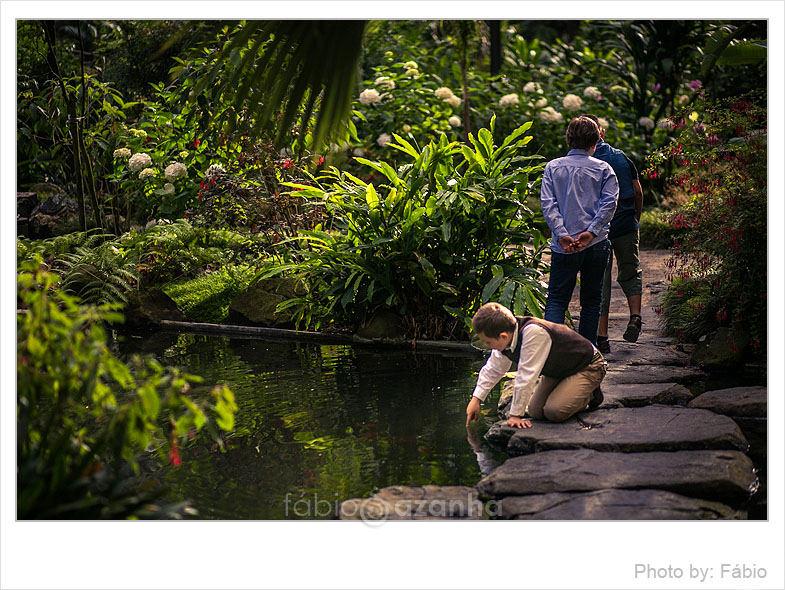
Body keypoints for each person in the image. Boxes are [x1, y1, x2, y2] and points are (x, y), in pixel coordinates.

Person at [540, 116, 619, 346]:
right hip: (595, 245)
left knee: (556, 300)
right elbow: (609, 204)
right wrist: (591, 233)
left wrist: (563, 234)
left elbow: (548, 204)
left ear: (568, 139)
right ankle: (587, 357)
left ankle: (550, 353)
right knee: (592, 302)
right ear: (596, 141)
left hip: (563, 246)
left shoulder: (553, 167)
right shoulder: (604, 169)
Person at [465, 302, 607, 430]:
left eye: (488, 342)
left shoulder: (533, 333)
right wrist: (476, 399)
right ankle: (572, 388)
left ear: (502, 336)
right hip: (560, 370)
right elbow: (493, 368)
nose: (486, 346)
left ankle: (590, 394)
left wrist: (515, 415)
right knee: (535, 411)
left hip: (587, 365)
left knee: (555, 411)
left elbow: (526, 376)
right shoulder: (506, 340)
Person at [581, 114, 644, 353]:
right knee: (631, 270)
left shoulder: (586, 162)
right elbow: (637, 191)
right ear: (602, 133)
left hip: (599, 231)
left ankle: (602, 337)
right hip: (626, 224)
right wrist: (635, 218)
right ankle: (635, 317)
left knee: (600, 280)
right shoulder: (621, 158)